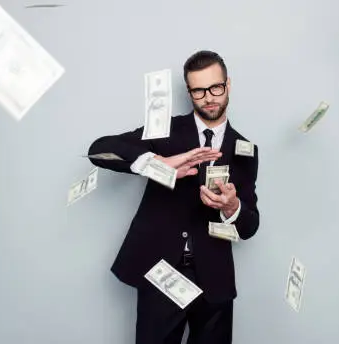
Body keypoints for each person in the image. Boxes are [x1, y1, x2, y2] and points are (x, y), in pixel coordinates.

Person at [88, 50, 260, 344]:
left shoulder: (246, 149)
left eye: (215, 87)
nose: (209, 97)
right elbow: (99, 150)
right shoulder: (165, 130)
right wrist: (158, 163)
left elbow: (249, 226)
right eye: (199, 91)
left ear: (228, 85)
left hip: (215, 279)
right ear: (189, 92)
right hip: (161, 274)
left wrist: (232, 207)